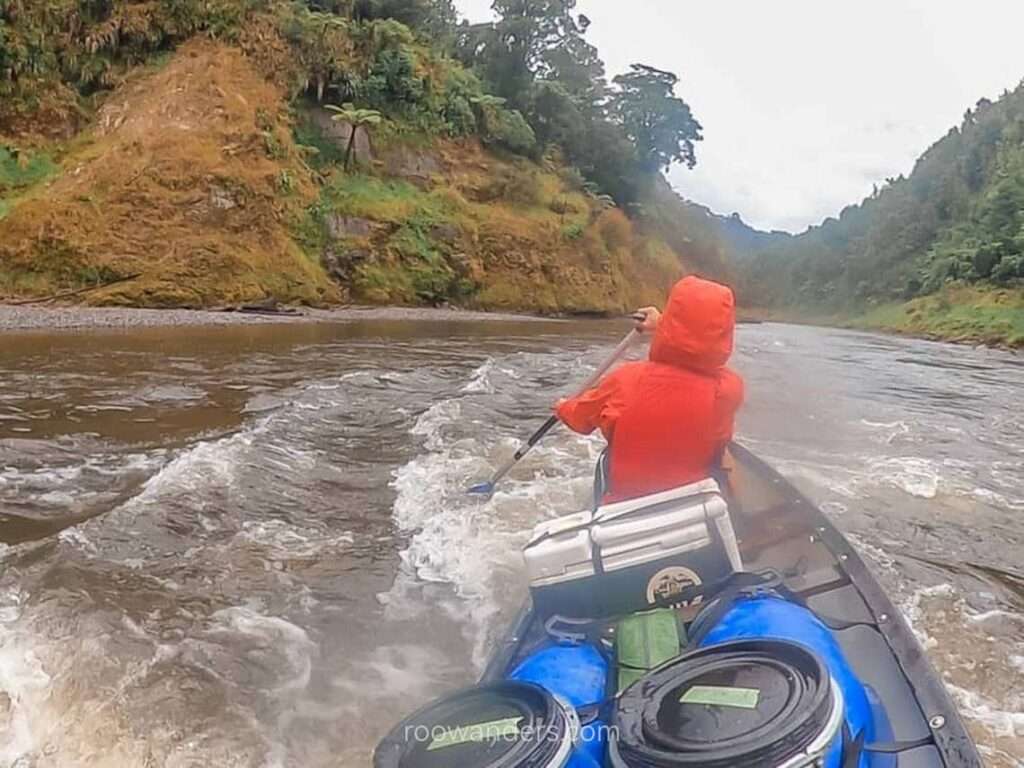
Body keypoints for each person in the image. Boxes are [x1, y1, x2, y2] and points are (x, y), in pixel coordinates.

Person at [555, 275, 745, 504]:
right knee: (722, 453)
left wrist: (562, 406)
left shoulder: (626, 379)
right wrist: (664, 326)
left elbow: (580, 420)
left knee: (608, 457)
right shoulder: (729, 389)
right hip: (688, 507)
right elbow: (701, 350)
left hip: (624, 508)